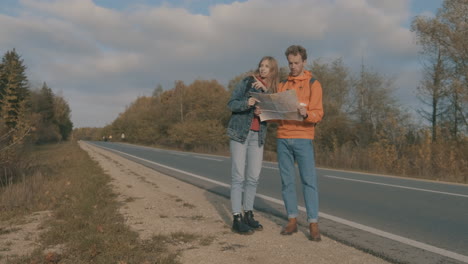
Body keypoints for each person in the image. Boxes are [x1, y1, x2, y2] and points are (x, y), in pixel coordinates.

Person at [276, 45, 324, 241]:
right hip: (283, 137)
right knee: (287, 181)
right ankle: (292, 220)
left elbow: (318, 114)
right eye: (290, 63)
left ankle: (313, 223)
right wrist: (266, 112)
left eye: (296, 63)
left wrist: (307, 114)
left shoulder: (314, 84)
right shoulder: (281, 85)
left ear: (304, 62)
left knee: (308, 181)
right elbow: (276, 115)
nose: (293, 66)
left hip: (304, 138)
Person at [227, 56, 279, 234]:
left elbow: (274, 115)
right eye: (261, 66)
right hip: (240, 133)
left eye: (267, 67)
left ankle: (248, 214)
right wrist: (247, 103)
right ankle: (236, 218)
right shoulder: (247, 81)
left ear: (273, 71)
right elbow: (231, 103)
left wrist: (262, 109)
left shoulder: (271, 90)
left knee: (253, 178)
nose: (263, 69)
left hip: (258, 136)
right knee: (238, 177)